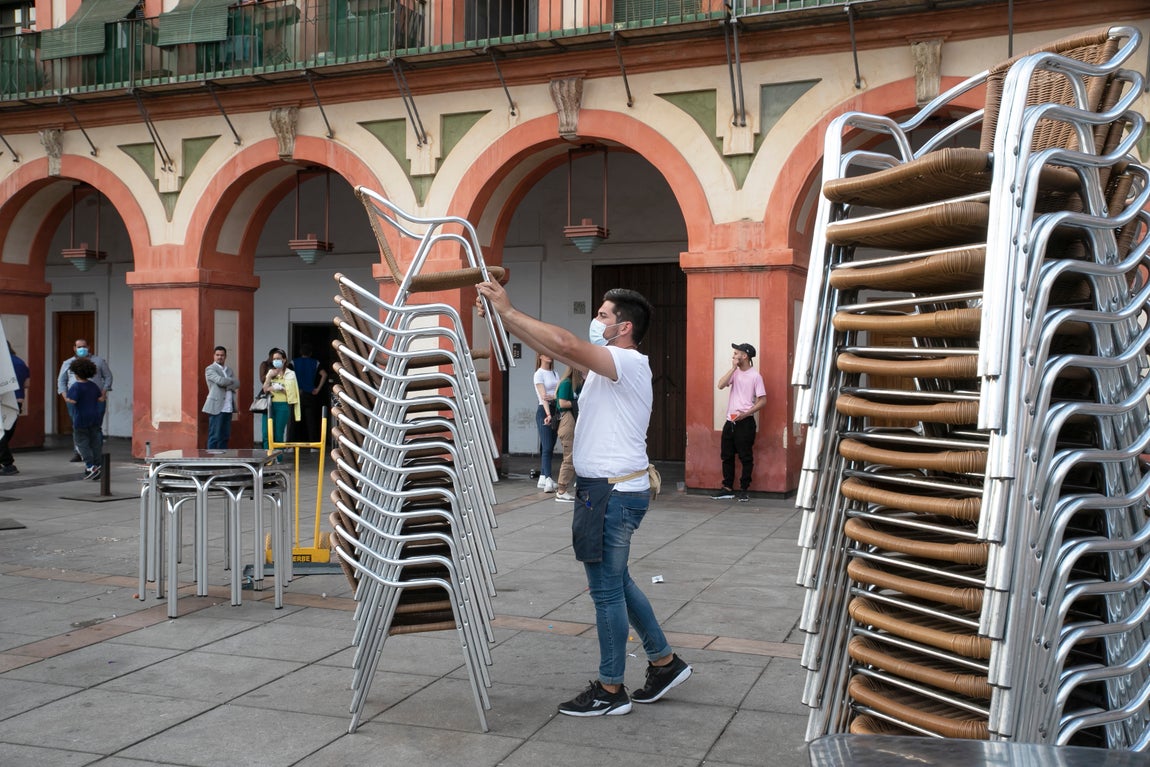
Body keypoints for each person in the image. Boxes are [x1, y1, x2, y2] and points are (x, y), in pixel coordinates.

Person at [476, 278, 692, 717]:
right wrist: (504, 316)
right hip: (606, 490)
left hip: (612, 492)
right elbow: (557, 348)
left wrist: (510, 310)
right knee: (618, 584)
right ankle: (664, 663)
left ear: (624, 327)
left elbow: (564, 341)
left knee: (606, 591)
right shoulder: (607, 368)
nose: (596, 322)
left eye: (603, 316)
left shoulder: (626, 361)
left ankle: (611, 691)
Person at [712, 342, 767, 503]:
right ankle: (727, 488)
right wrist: (733, 368)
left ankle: (744, 489)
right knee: (726, 456)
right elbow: (721, 385)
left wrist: (746, 413)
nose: (733, 356)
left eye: (736, 353)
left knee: (745, 457)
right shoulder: (734, 374)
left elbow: (762, 400)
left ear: (745, 356)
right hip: (730, 421)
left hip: (745, 422)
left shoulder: (755, 376)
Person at [57, 338, 113, 463]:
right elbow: (61, 381)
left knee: (96, 426)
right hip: (75, 401)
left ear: (88, 347)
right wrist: (65, 397)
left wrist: (103, 393)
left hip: (96, 399)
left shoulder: (99, 361)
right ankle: (78, 452)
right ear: (74, 348)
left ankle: (95, 453)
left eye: (84, 346)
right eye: (78, 347)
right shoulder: (68, 363)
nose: (81, 349)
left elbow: (108, 377)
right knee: (77, 426)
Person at [64, 357, 105, 481]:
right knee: (96, 443)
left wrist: (66, 397)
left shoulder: (76, 387)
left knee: (82, 443)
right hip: (95, 417)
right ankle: (98, 466)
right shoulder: (93, 385)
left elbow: (73, 400)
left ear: (76, 373)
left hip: (81, 418)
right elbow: (101, 398)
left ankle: (90, 466)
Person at [553, 365, 584, 502]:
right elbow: (562, 403)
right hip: (567, 421)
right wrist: (580, 402)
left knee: (575, 456)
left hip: (573, 421)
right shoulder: (566, 383)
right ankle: (561, 490)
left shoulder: (576, 384)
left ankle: (565, 488)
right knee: (569, 457)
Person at [0, 342, 30, 476]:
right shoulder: (20, 362)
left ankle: (8, 464)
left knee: (1, 436)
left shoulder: (2, 363)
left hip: (3, 401)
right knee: (5, 434)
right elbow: (27, 384)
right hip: (16, 403)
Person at [202, 346, 240, 449]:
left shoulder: (229, 370)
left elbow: (237, 383)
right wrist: (229, 382)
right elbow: (220, 381)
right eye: (217, 355)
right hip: (216, 407)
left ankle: (223, 459)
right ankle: (211, 462)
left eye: (222, 355)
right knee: (214, 436)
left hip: (228, 407)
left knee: (225, 436)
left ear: (225, 356)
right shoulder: (210, 369)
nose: (220, 357)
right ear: (214, 356)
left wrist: (226, 382)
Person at [262, 348, 300, 449]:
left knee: (279, 433)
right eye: (274, 359)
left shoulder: (290, 374)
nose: (276, 361)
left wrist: (281, 389)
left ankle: (278, 457)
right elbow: (265, 389)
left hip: (283, 405)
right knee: (266, 432)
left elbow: (293, 393)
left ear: (284, 360)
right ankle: (267, 456)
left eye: (278, 359)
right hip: (269, 405)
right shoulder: (271, 372)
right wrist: (269, 377)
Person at [533, 352, 560, 492]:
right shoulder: (539, 374)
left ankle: (543, 477)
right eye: (546, 353)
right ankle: (548, 478)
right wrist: (548, 413)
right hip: (544, 411)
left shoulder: (555, 373)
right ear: (540, 356)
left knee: (548, 445)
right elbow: (543, 396)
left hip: (555, 409)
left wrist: (554, 397)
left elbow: (558, 393)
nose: (550, 355)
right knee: (548, 446)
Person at [291, 344, 328, 446]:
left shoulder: (294, 362)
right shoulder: (315, 362)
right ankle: (313, 446)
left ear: (300, 352)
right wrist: (318, 389)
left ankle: (291, 445)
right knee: (311, 420)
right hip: (310, 393)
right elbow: (324, 374)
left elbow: (287, 375)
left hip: (298, 393)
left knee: (294, 420)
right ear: (310, 353)